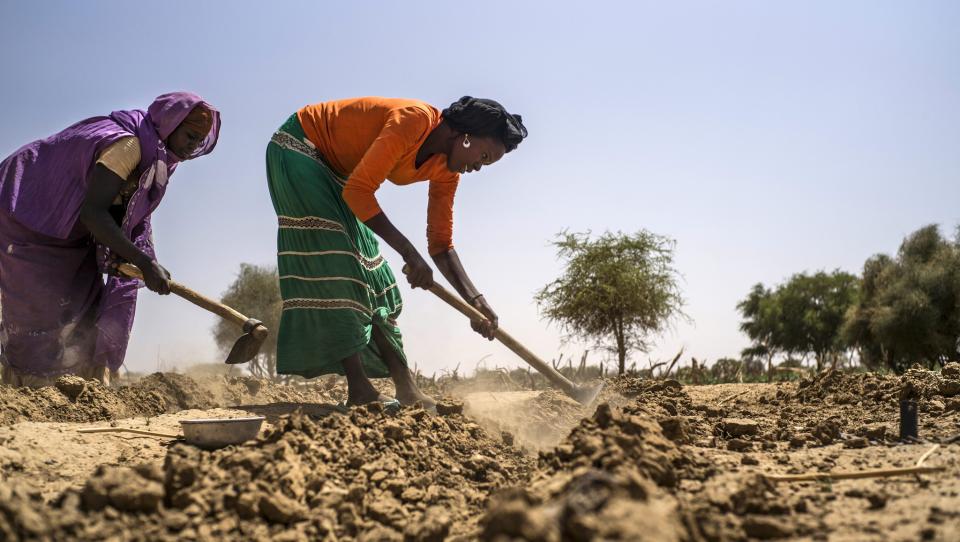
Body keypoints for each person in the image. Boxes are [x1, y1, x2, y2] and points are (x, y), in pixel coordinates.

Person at [266, 96, 527, 407]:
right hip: (299, 148)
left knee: (376, 272)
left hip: (338, 173)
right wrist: (408, 252)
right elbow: (360, 191)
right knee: (342, 263)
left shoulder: (447, 170)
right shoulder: (412, 121)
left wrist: (475, 301)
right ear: (466, 136)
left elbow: (441, 245)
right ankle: (360, 390)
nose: (479, 168)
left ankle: (406, 388)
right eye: (483, 156)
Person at [0, 92, 220, 386]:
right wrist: (142, 261)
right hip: (28, 211)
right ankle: (26, 383)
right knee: (39, 303)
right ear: (171, 123)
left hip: (70, 229)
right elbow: (94, 213)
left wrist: (133, 258)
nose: (192, 147)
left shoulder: (157, 160)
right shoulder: (127, 145)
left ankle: (75, 381)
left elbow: (122, 216)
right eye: (190, 136)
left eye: (198, 142)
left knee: (85, 296)